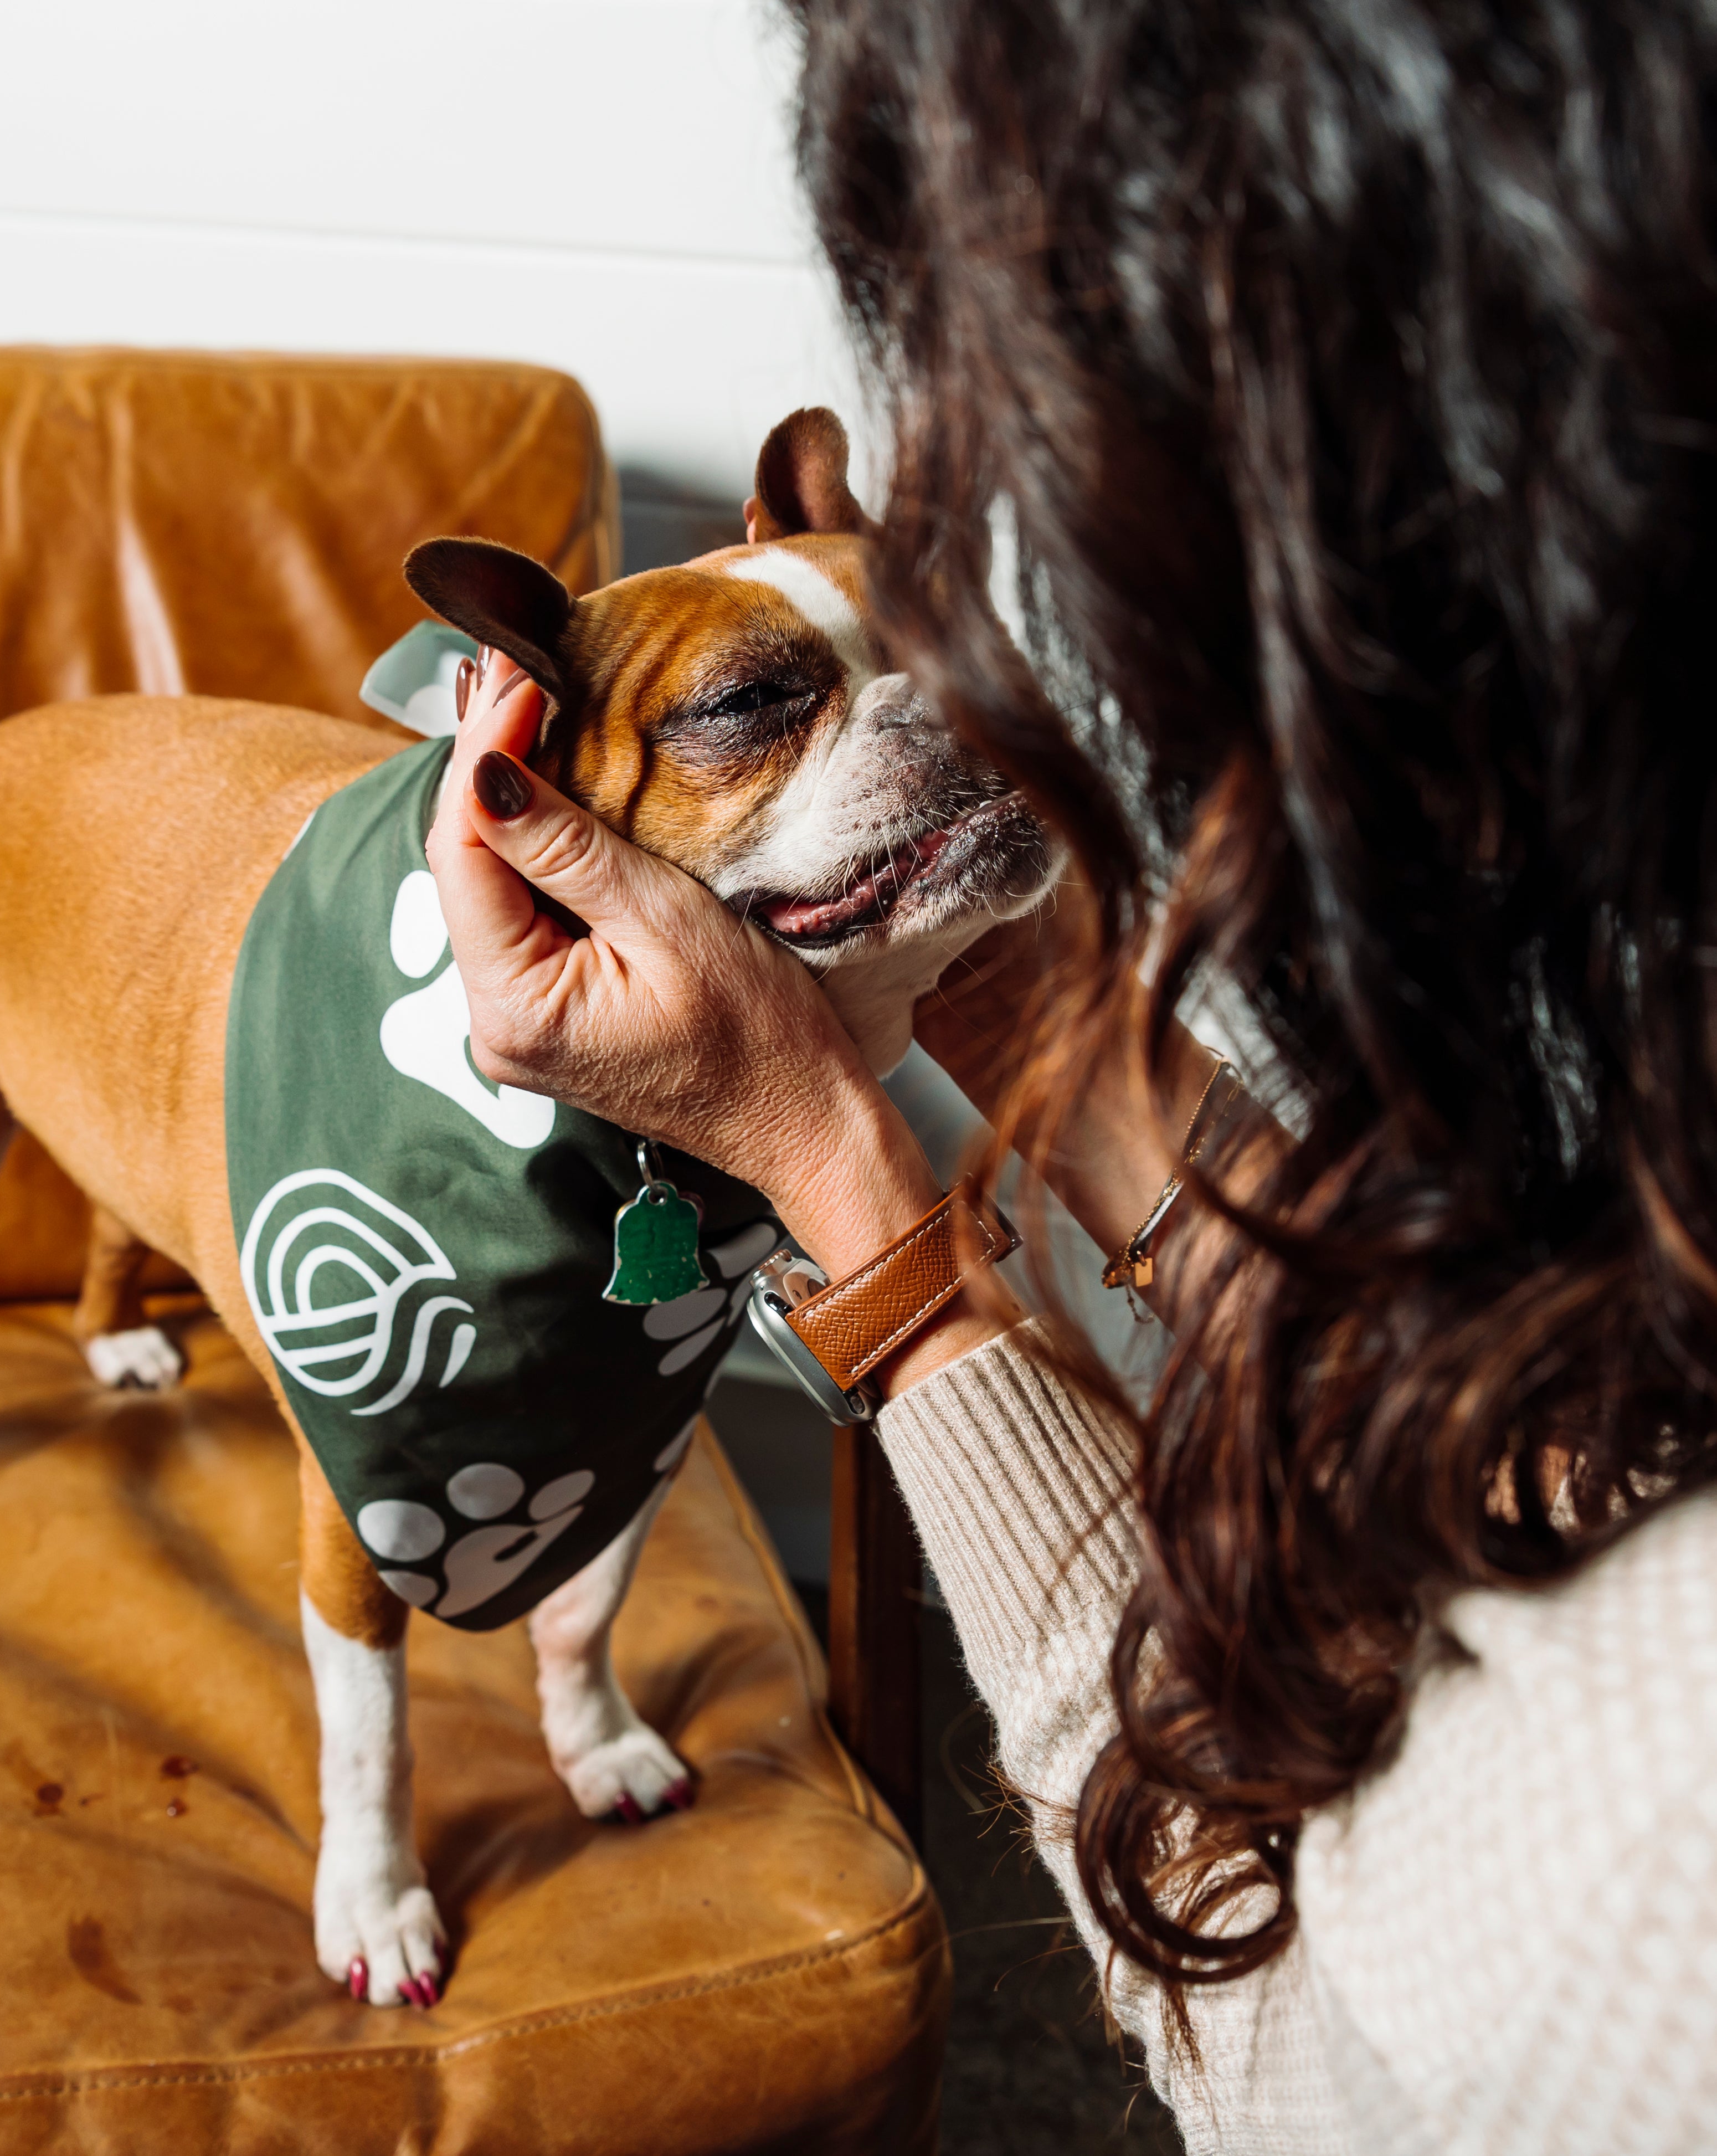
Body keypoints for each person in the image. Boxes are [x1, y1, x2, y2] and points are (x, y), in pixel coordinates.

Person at [426, 1, 1717, 2146]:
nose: (1056, 677)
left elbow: (1308, 2055)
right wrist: (1039, 1023)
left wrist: (862, 1219)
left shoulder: (1646, 1843)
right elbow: (1556, 1493)